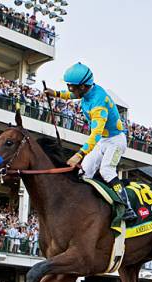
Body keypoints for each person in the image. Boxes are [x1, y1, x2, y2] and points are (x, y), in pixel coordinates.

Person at [44, 62, 137, 221]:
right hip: (103, 141)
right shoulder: (86, 91)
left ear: (83, 87)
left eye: (72, 86)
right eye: (69, 86)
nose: (70, 89)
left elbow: (95, 135)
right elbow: (72, 95)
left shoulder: (98, 104)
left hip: (115, 141)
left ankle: (126, 206)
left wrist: (79, 155)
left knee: (107, 170)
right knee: (84, 172)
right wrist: (56, 93)